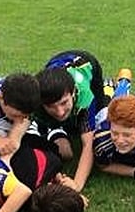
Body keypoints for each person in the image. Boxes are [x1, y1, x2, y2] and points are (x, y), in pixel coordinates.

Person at [31, 50, 112, 191]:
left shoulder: (84, 97)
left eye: (64, 103)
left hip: (88, 63)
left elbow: (88, 145)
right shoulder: (35, 99)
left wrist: (77, 185)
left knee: (98, 115)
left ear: (73, 93)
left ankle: (108, 87)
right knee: (61, 126)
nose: (60, 112)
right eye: (51, 106)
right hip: (56, 62)